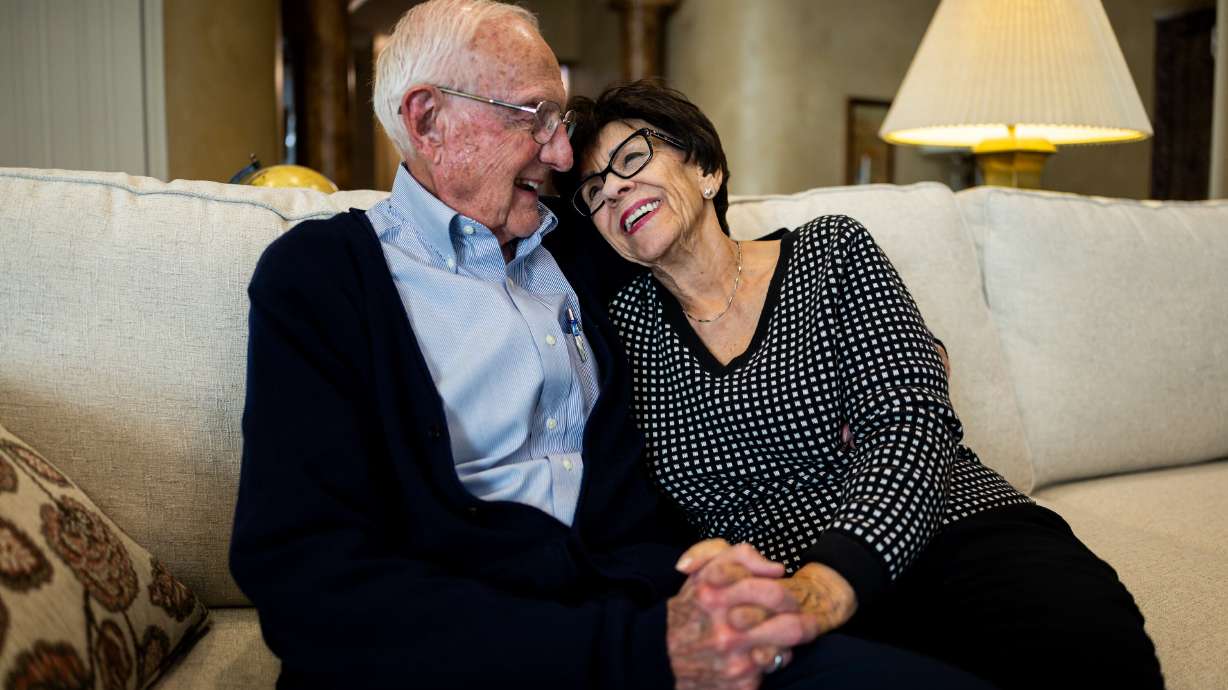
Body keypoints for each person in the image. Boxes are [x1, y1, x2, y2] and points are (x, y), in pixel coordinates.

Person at [229, 2, 996, 689]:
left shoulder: (580, 247)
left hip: (648, 612)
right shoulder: (322, 277)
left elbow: (711, 258)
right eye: (534, 117)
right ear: (428, 120)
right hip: (488, 651)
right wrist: (642, 649)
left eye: (561, 121)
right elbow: (305, 582)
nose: (565, 158)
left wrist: (897, 357)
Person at [555, 80, 1166, 690]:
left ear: (706, 168)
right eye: (593, 191)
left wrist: (828, 582)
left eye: (632, 158)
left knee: (1099, 664)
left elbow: (911, 424)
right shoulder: (620, 334)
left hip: (951, 532)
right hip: (790, 597)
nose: (614, 188)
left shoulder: (830, 252)